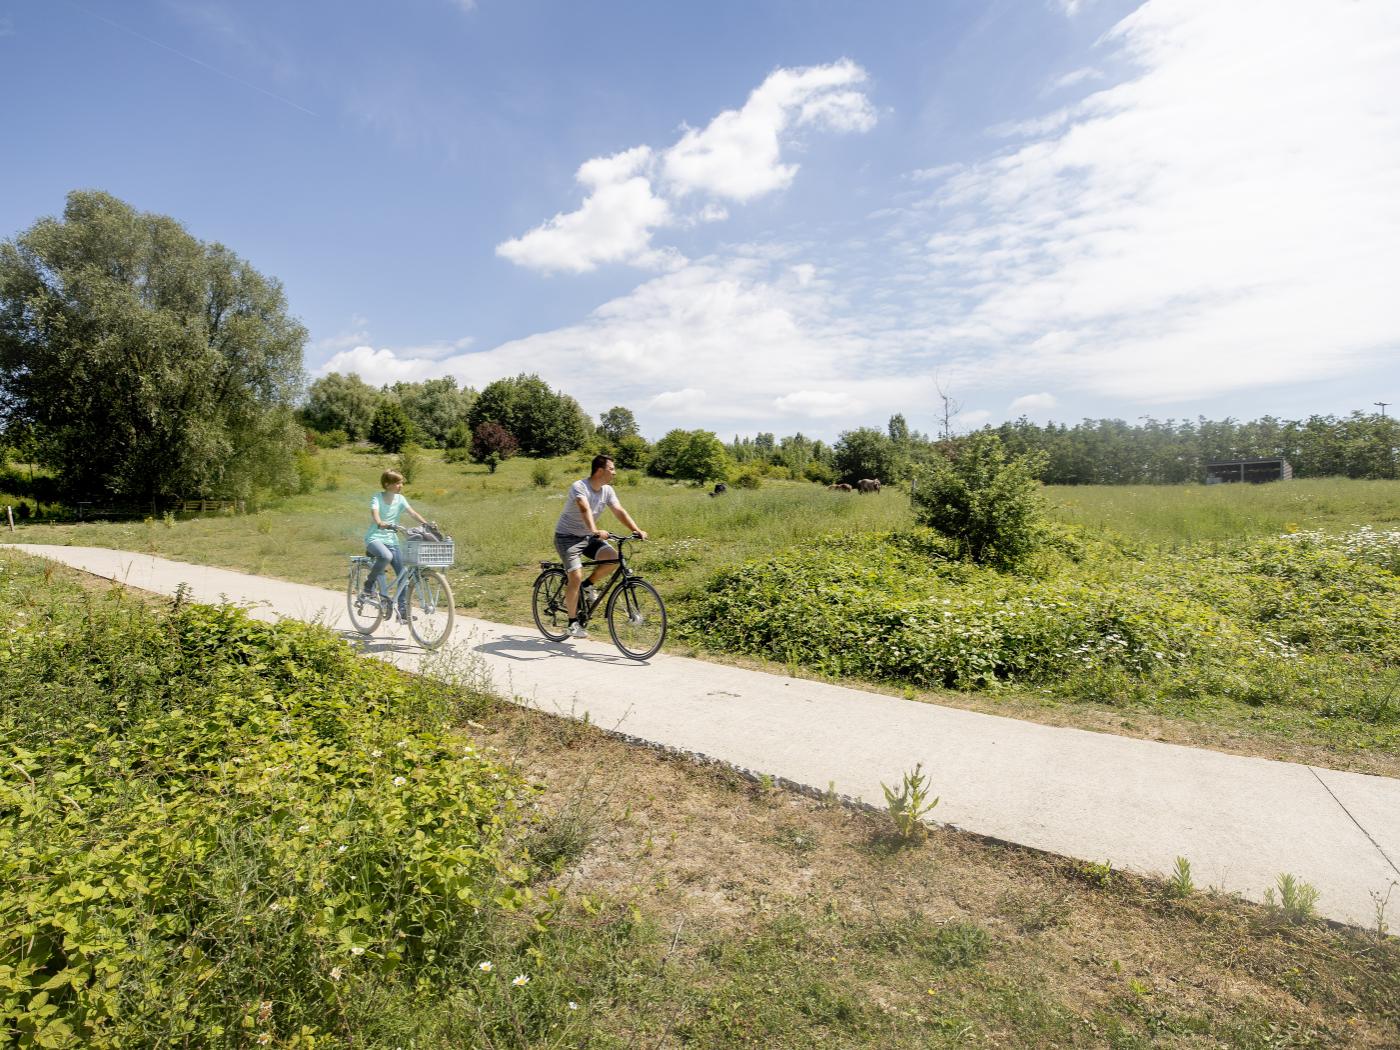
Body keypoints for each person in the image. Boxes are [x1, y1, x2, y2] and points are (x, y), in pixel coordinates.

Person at [554, 454, 647, 639]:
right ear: (600, 470)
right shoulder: (579, 487)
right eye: (611, 468)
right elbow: (584, 508)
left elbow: (619, 511)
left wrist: (636, 530)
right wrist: (595, 529)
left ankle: (588, 586)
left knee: (613, 559)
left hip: (588, 536)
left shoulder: (608, 490)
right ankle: (572, 623)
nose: (615, 472)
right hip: (566, 537)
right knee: (575, 576)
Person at [364, 469, 430, 621]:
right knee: (386, 556)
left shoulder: (400, 499)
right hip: (375, 538)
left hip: (392, 540)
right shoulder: (377, 497)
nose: (401, 485)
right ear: (387, 484)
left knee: (403, 574)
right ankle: (369, 583)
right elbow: (375, 512)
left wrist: (426, 524)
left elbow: (412, 513)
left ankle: (402, 611)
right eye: (397, 483)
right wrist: (380, 522)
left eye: (401, 482)